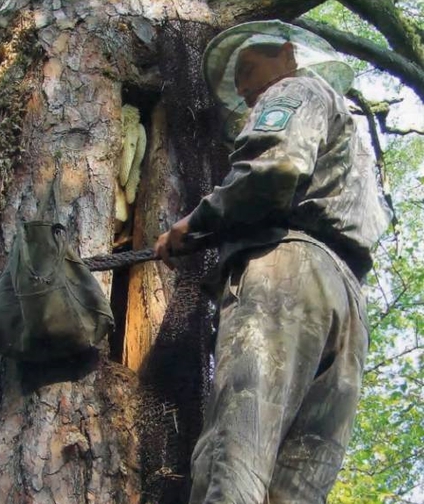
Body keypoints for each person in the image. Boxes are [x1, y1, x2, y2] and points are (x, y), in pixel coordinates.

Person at [154, 21, 392, 504]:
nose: (244, 90)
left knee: (236, 457)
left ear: (287, 54)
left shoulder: (296, 89)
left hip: (286, 274)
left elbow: (275, 170)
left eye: (247, 69)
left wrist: (195, 223)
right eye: (238, 89)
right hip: (345, 306)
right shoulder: (354, 147)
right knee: (297, 486)